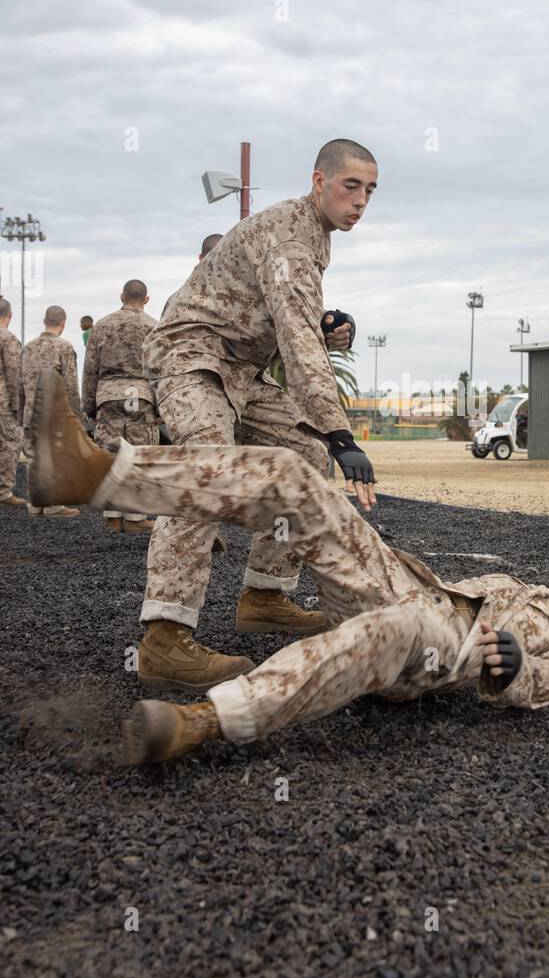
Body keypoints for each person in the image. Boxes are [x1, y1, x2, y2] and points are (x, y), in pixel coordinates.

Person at [29, 369, 549, 766]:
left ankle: (202, 721)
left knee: (395, 630)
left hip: (439, 647)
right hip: (401, 586)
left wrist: (517, 671)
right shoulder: (525, 584)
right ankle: (96, 476)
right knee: (296, 478)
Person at [135, 138, 377, 690]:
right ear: (319, 182)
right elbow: (295, 339)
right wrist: (341, 432)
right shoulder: (291, 232)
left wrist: (326, 323)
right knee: (209, 467)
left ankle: (265, 593)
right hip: (194, 353)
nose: (361, 201)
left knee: (307, 455)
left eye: (369, 191)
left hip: (242, 370)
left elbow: (288, 318)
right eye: (350, 186)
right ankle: (164, 639)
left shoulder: (317, 235)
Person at [82, 279, 159, 533]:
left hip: (109, 395)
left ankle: (112, 515)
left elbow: (90, 370)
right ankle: (136, 518)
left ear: (121, 296)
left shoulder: (102, 326)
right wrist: (160, 409)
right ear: (146, 299)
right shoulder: (154, 327)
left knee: (111, 455)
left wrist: (89, 406)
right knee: (140, 455)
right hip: (141, 394)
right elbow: (160, 370)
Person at [19, 306, 81, 518]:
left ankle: (36, 506)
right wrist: (77, 417)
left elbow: (20, 384)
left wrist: (21, 415)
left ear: (44, 321)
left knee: (34, 458)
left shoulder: (27, 348)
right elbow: (71, 386)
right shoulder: (64, 347)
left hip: (30, 413)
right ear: (62, 324)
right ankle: (54, 506)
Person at [0, 298, 25, 507]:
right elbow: (14, 375)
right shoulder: (8, 339)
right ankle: (3, 492)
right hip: (3, 404)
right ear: (10, 315)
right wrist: (19, 408)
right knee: (9, 444)